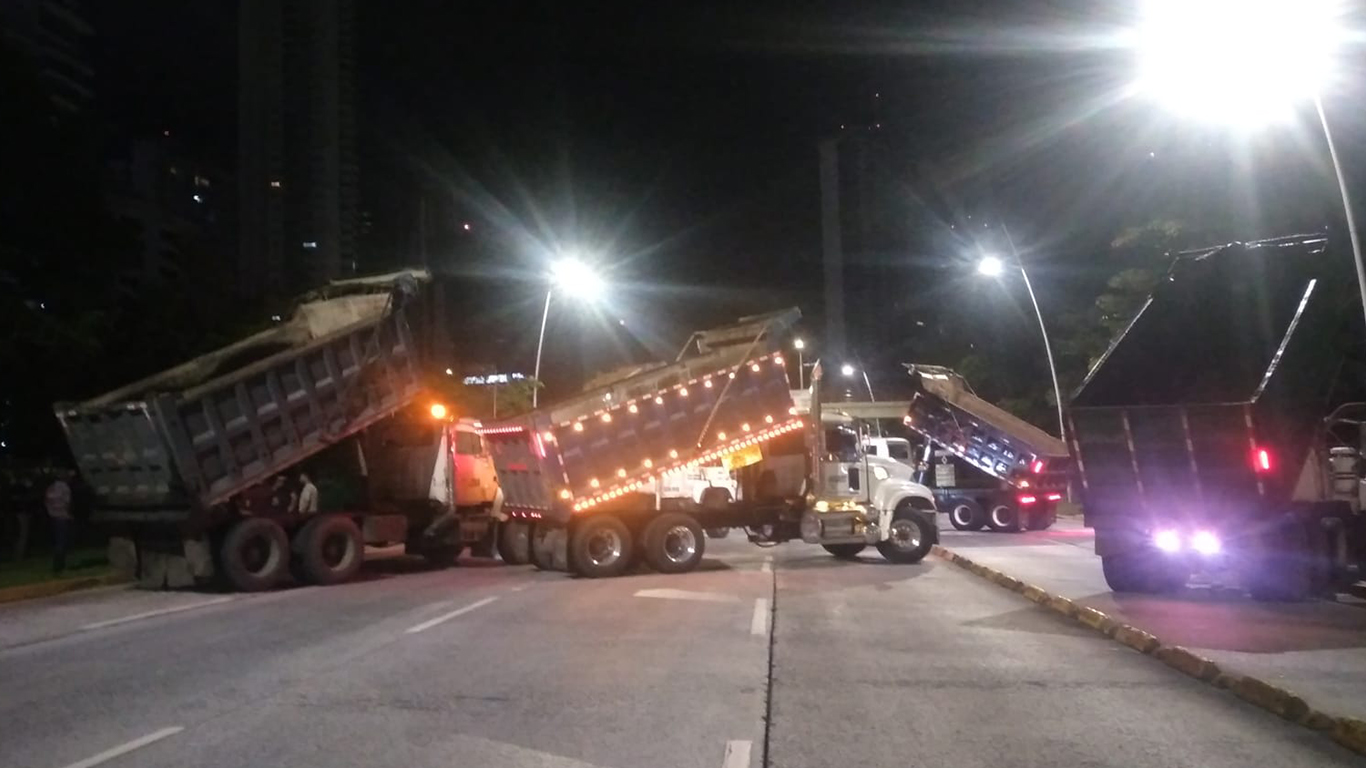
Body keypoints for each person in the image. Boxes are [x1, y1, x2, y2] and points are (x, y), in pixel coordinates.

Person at [45, 470, 73, 574]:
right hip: (62, 516)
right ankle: (60, 566)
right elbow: (67, 502)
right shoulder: (64, 487)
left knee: (57, 542)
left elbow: (47, 502)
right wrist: (68, 514)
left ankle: (57, 566)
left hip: (53, 516)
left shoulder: (50, 488)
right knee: (62, 542)